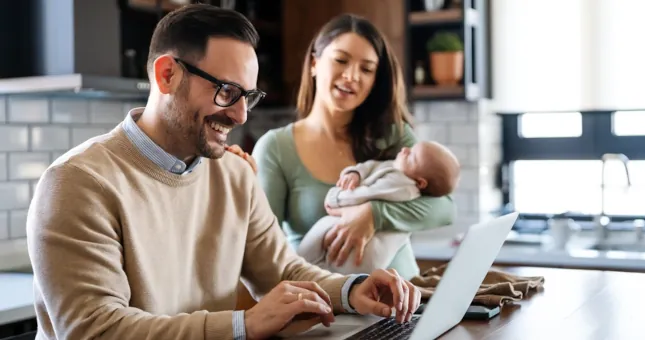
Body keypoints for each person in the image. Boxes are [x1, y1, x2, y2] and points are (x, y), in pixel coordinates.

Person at [26, 5, 420, 340]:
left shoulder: (233, 174)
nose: (241, 114)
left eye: (247, 96)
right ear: (167, 75)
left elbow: (281, 269)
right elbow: (96, 329)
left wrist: (353, 290)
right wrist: (243, 325)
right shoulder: (77, 183)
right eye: (227, 92)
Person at [249, 13, 456, 281]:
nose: (351, 76)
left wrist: (374, 215)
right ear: (314, 63)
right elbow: (262, 248)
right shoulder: (275, 148)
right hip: (326, 307)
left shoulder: (393, 136)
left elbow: (445, 208)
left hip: (407, 302)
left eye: (367, 69)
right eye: (341, 60)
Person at [295, 141, 461, 274]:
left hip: (368, 264)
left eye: (412, 156)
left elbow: (365, 194)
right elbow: (372, 167)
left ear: (420, 182)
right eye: (410, 148)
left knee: (312, 263)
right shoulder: (398, 166)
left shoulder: (402, 185)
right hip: (357, 266)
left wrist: (337, 198)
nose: (404, 149)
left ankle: (298, 271)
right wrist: (355, 173)